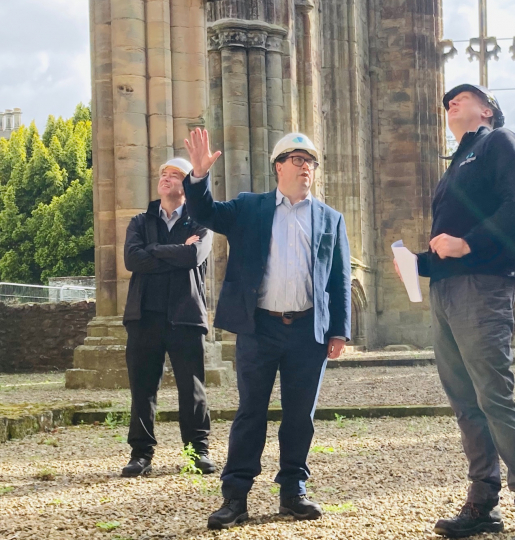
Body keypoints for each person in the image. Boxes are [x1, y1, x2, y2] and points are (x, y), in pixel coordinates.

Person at [397, 84, 515, 540]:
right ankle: (483, 502)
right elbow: (448, 245)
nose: (450, 102)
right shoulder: (455, 167)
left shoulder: (499, 142)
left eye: (462, 97)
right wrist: (417, 263)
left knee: (493, 398)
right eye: (447, 100)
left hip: (483, 288)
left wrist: (468, 243)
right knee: (466, 403)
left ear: (487, 109)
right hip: (447, 291)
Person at [181, 129, 351, 530]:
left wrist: (338, 330)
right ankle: (235, 497)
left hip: (308, 330)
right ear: (279, 166)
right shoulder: (250, 208)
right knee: (250, 413)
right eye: (297, 159)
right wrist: (199, 177)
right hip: (259, 327)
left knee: (299, 416)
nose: (306, 166)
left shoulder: (329, 218)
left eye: (310, 161)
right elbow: (205, 214)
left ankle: (293, 491)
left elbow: (339, 278)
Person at [121, 157, 215, 478]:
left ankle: (197, 452)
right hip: (144, 314)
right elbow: (133, 259)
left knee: (192, 388)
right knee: (143, 388)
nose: (167, 178)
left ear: (186, 187)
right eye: (164, 173)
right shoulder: (139, 221)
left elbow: (193, 255)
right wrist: (172, 249)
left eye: (175, 175)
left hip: (186, 315)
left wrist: (155, 249)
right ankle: (140, 455)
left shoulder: (200, 223)